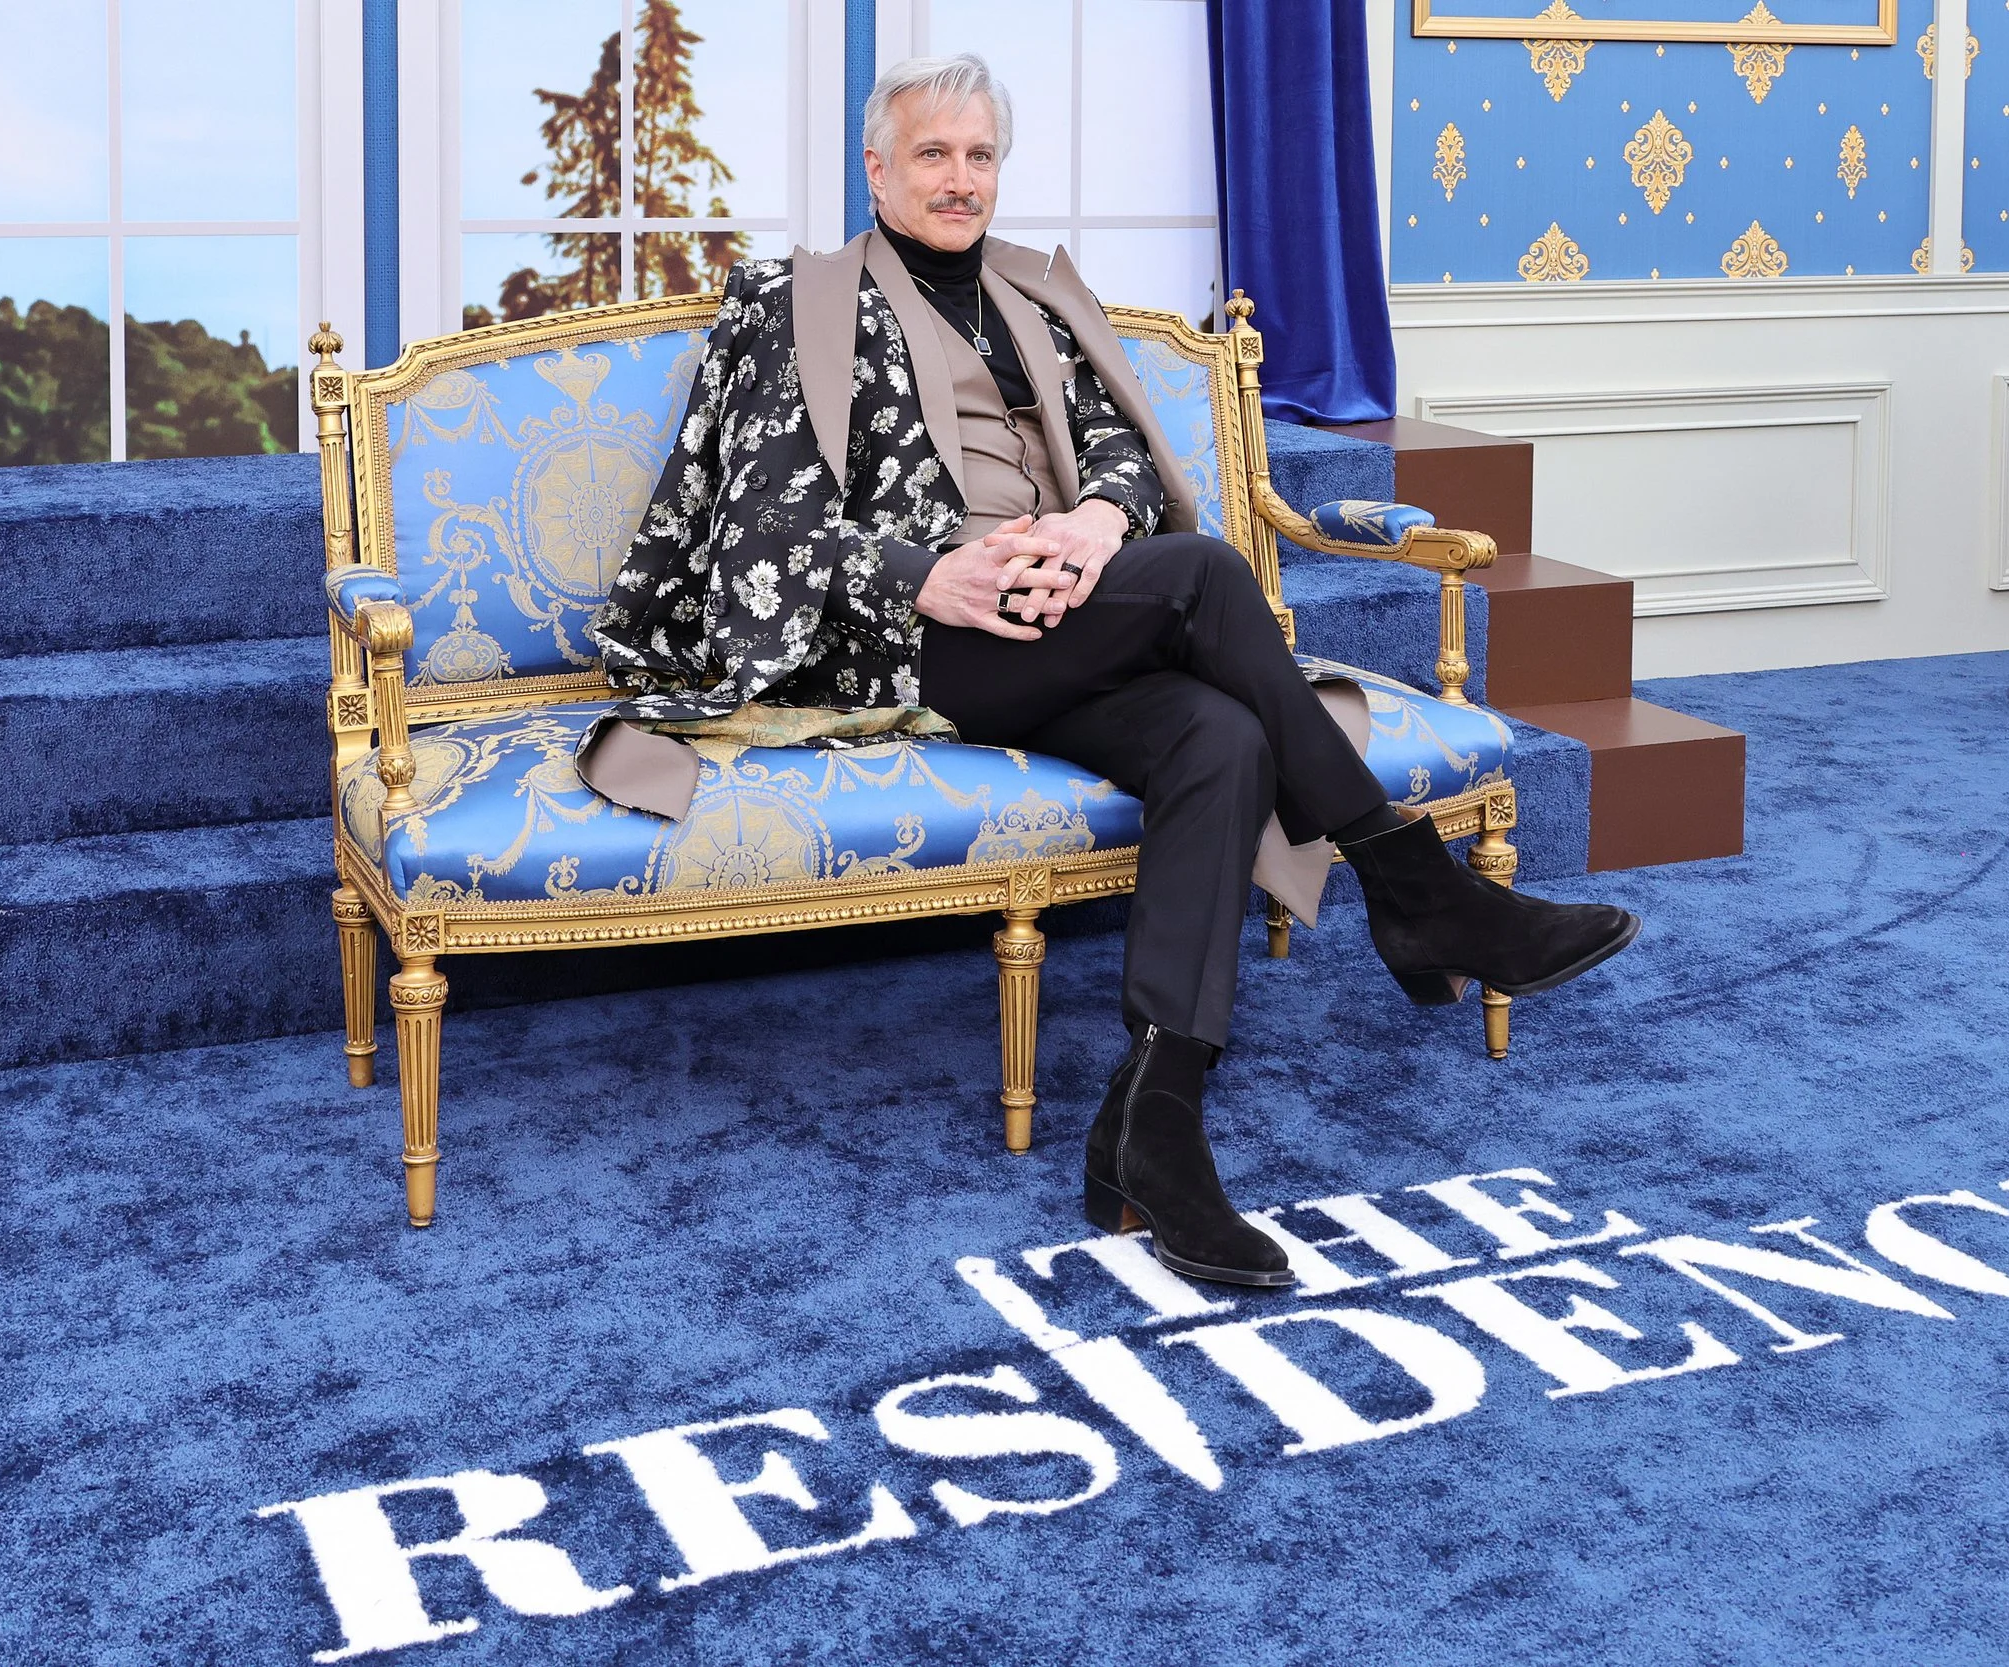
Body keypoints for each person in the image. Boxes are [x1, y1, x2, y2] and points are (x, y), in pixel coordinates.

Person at [587, 54, 1640, 1289]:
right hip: (926, 641)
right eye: (933, 154)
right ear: (876, 169)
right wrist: (927, 573)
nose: (960, 179)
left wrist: (1092, 523)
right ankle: (1412, 883)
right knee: (1196, 573)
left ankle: (1157, 1124)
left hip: (1075, 608)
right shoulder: (793, 303)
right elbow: (753, 523)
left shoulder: (1036, 298)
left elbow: (1121, 454)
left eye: (980, 155)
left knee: (1223, 739)